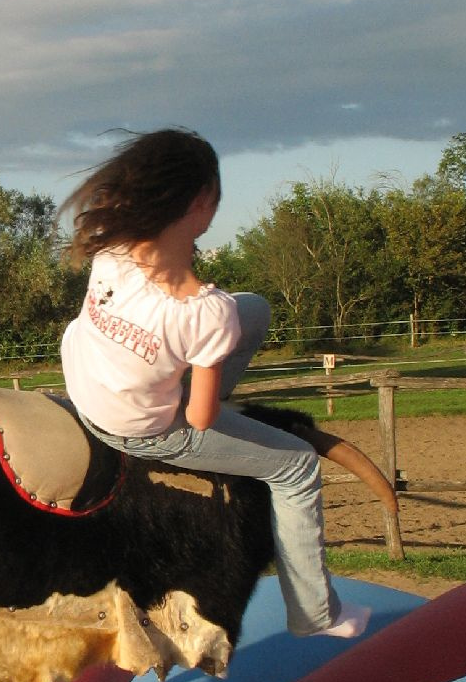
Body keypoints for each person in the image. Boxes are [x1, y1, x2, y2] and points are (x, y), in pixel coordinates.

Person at [59, 128, 369, 639]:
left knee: (256, 309)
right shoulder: (205, 311)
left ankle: (171, 376)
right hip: (138, 427)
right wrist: (199, 389)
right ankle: (317, 614)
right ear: (202, 202)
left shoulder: (110, 249)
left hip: (87, 385)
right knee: (295, 469)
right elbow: (200, 419)